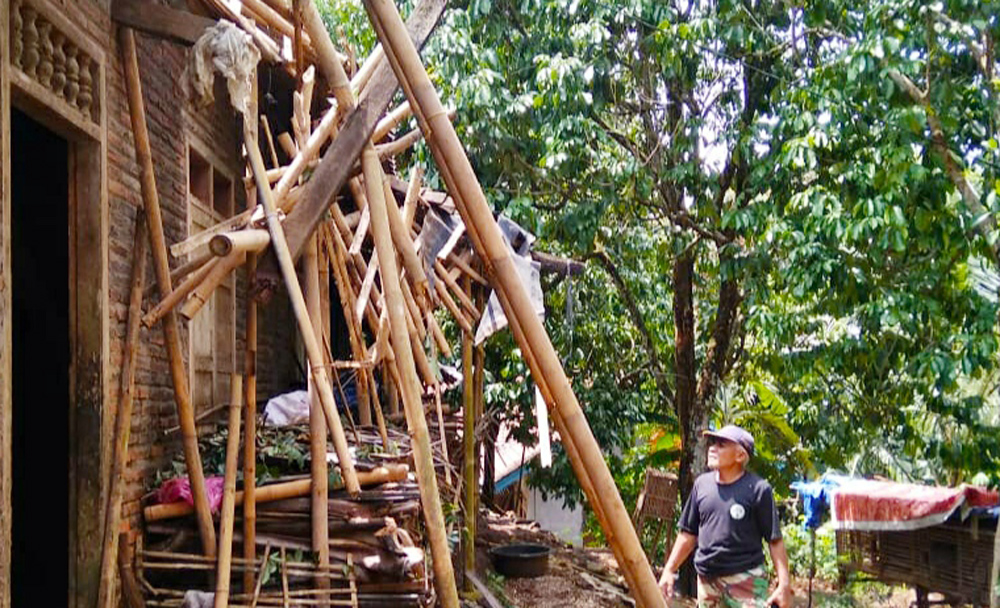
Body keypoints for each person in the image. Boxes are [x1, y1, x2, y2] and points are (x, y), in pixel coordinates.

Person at [658, 425, 792, 607]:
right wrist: (669, 570)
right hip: (707, 582)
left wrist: (783, 584)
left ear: (740, 456)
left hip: (745, 581)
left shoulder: (759, 490)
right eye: (713, 443)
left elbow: (774, 540)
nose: (712, 448)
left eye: (721, 444)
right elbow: (688, 534)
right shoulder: (701, 485)